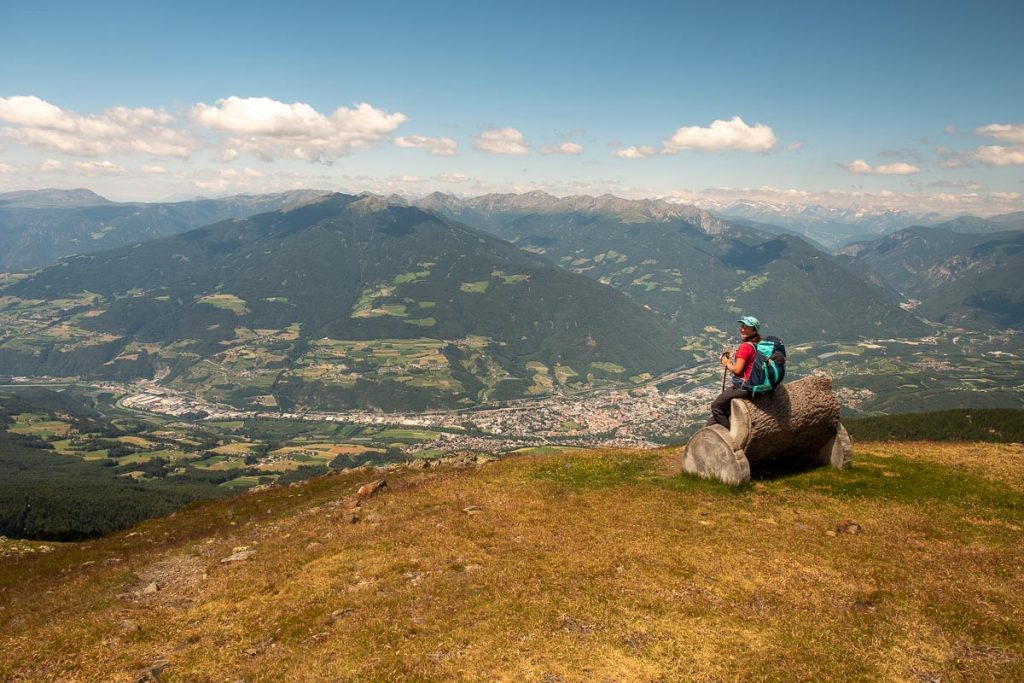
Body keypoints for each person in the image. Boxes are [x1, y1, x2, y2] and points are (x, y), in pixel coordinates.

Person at [706, 315, 762, 429]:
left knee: (716, 406)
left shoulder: (746, 347)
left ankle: (729, 436)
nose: (742, 329)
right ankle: (707, 432)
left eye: (747, 327)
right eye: (742, 326)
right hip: (753, 384)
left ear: (754, 330)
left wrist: (727, 362)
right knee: (724, 407)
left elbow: (737, 370)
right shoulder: (757, 344)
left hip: (743, 386)